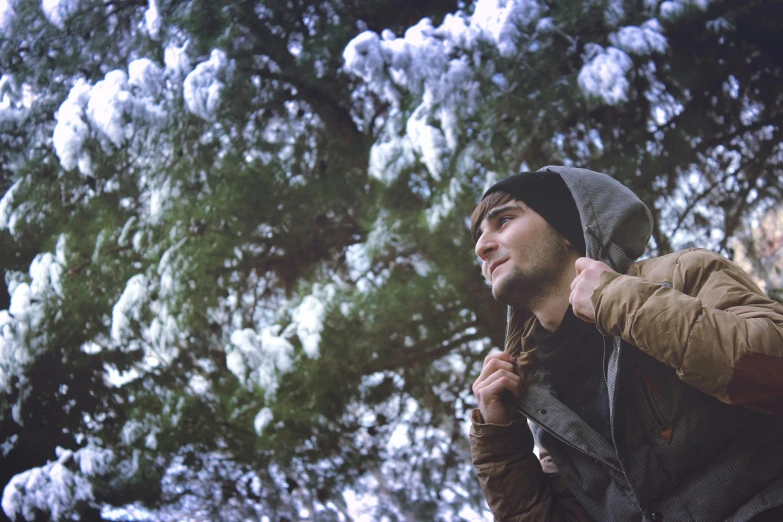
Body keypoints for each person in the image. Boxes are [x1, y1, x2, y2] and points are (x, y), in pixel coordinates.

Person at [469, 166, 783, 522]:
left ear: (568, 227)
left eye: (505, 220)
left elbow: (774, 370)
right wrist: (500, 443)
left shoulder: (682, 276)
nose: (482, 246)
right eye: (479, 236)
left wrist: (617, 300)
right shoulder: (537, 395)